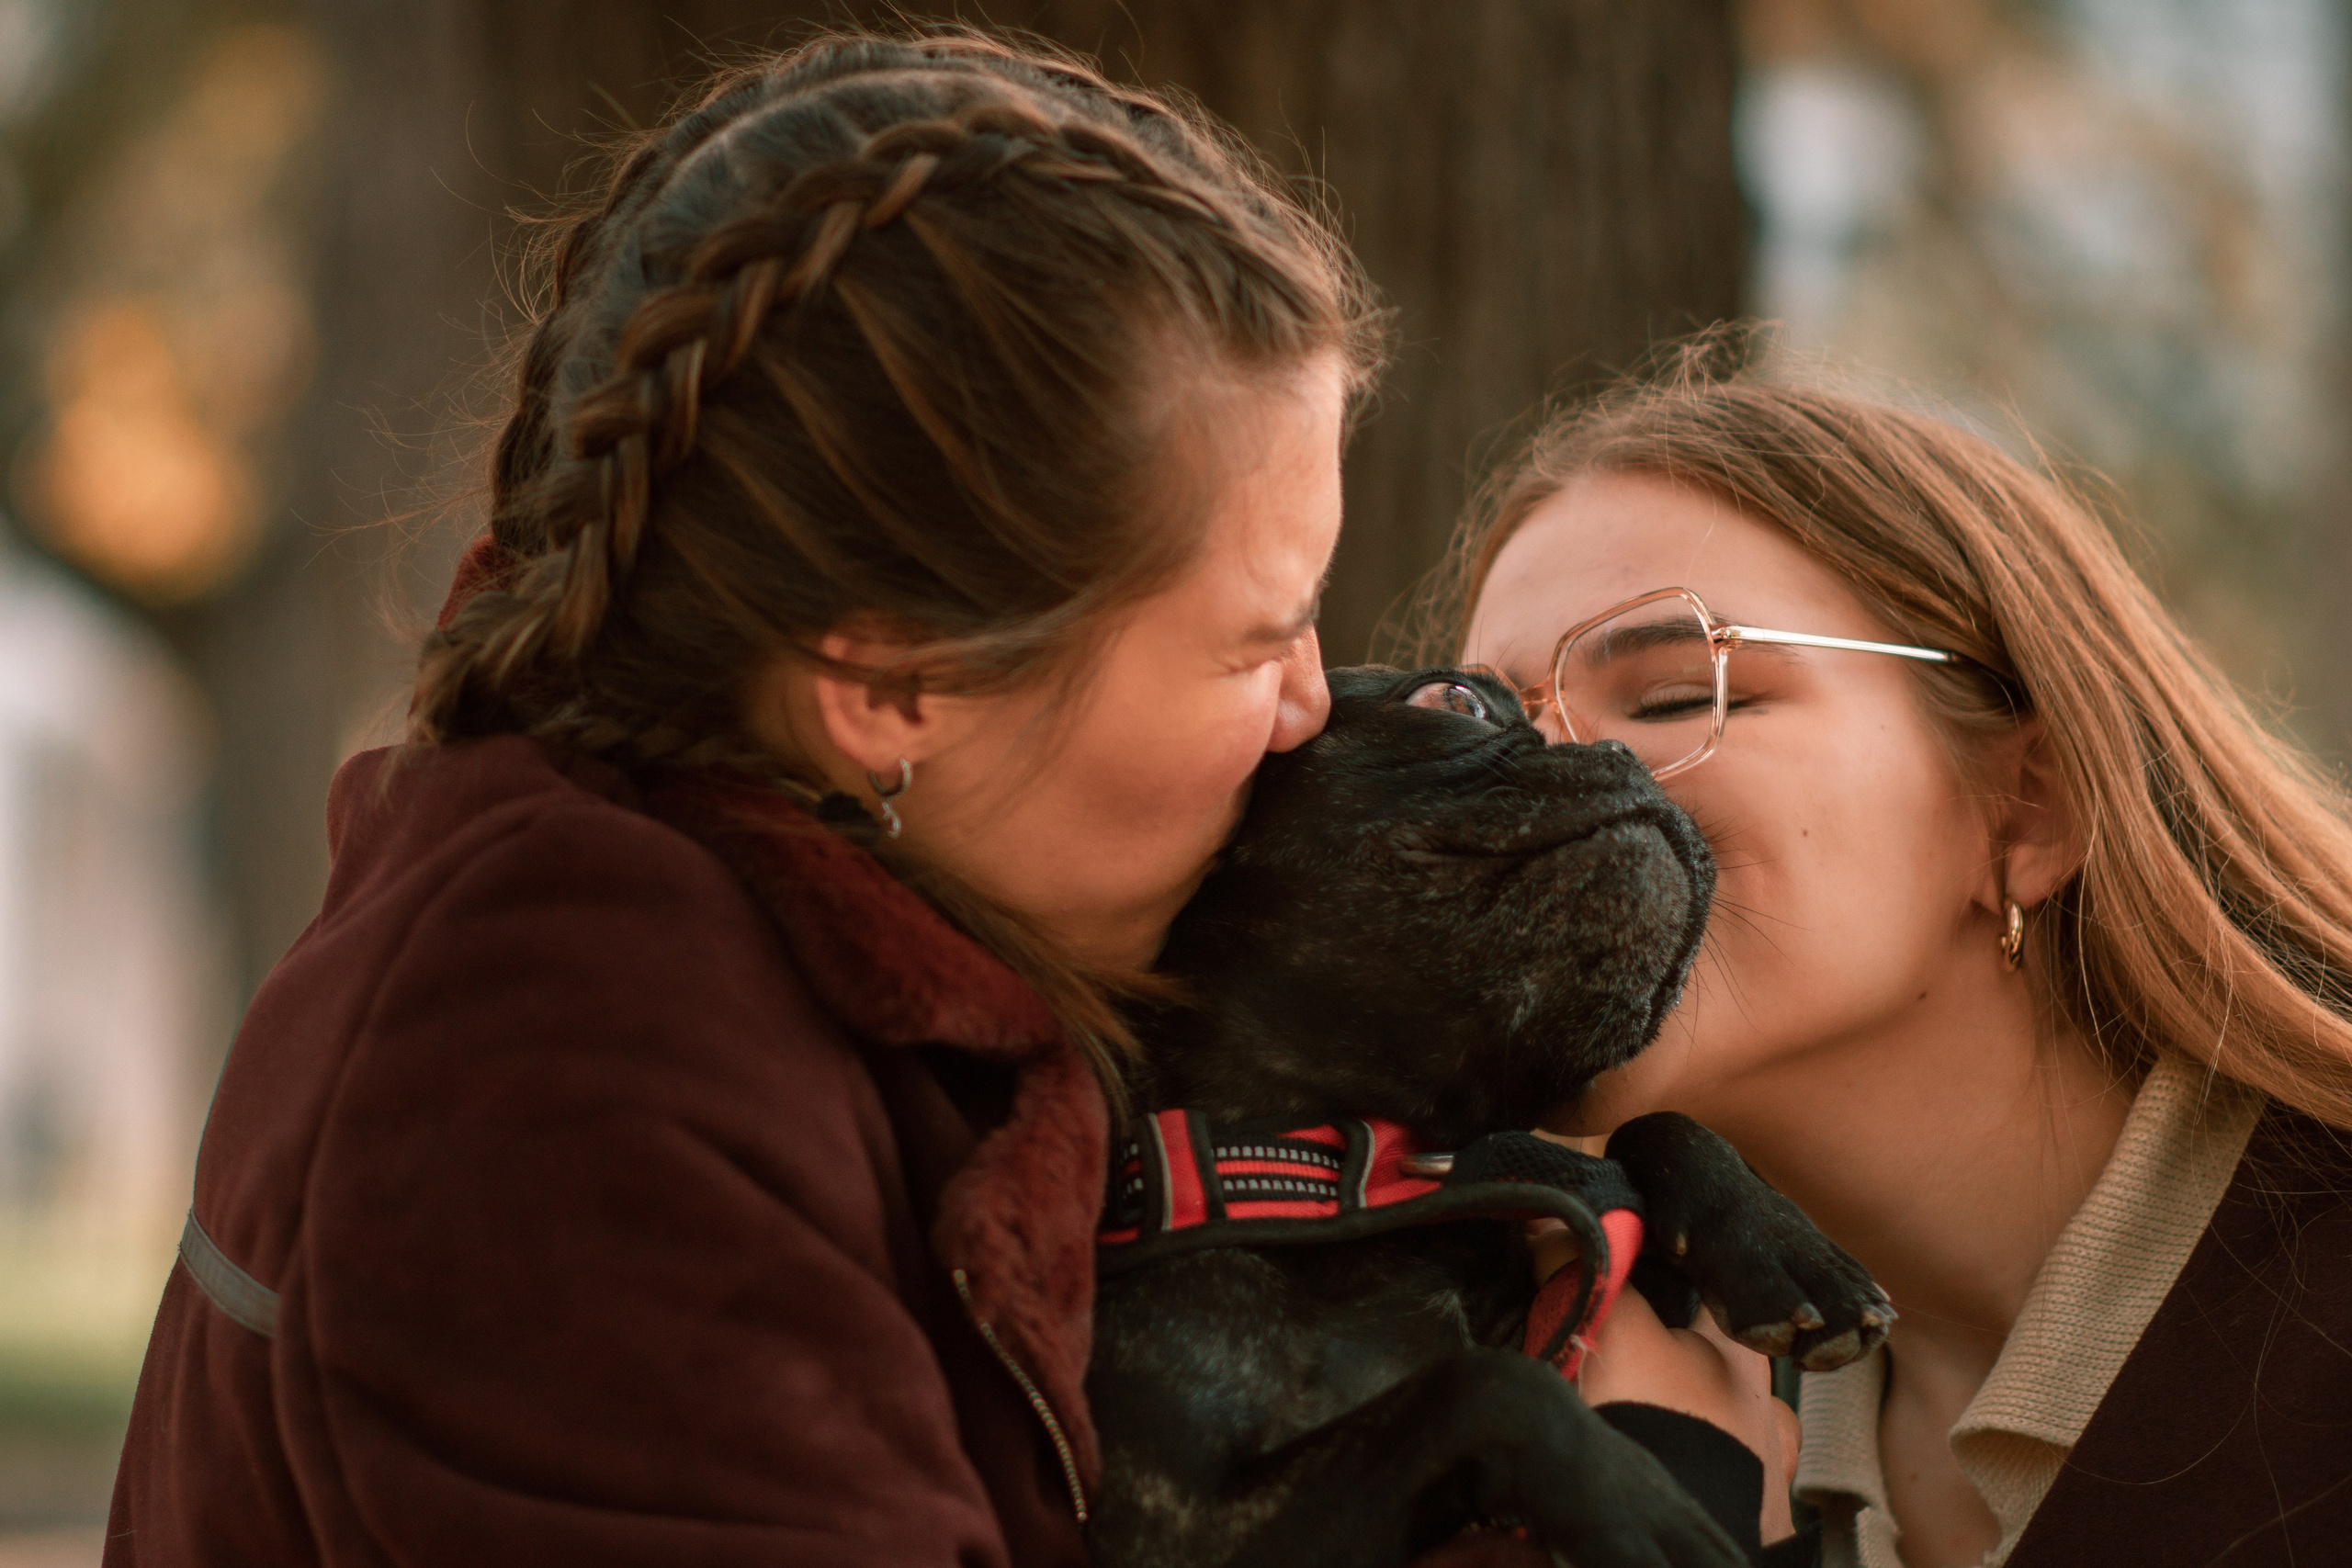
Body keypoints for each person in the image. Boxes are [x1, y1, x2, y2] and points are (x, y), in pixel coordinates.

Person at [107, 28, 1781, 1568]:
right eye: (1256, 637)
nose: (1300, 708)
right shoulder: (559, 1068)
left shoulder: (787, 967)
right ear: (891, 683)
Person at [1455, 350, 2352, 1568]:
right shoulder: (1498, 1394)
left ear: (2031, 805)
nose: (1537, 789)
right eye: (1482, 727)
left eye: (1671, 694)